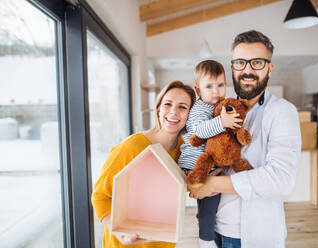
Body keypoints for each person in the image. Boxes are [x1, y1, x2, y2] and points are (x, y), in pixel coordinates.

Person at [188, 30, 302, 248]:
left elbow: (281, 178)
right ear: (232, 68)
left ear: (270, 68)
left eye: (257, 62)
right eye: (240, 62)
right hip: (213, 229)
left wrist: (209, 183)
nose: (247, 70)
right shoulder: (218, 109)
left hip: (251, 234)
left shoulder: (282, 111)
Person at [91, 81, 196, 248]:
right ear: (159, 109)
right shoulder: (131, 147)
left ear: (190, 114)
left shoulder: (185, 151)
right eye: (167, 104)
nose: (173, 112)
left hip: (163, 243)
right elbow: (100, 197)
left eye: (182, 107)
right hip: (124, 244)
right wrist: (120, 232)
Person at [178, 60, 242, 248]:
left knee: (208, 203)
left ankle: (202, 219)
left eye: (220, 85)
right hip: (196, 164)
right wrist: (222, 122)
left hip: (205, 162)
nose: (216, 91)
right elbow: (199, 131)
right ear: (198, 90)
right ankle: (205, 239)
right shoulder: (200, 108)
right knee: (212, 198)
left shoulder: (217, 106)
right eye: (209, 86)